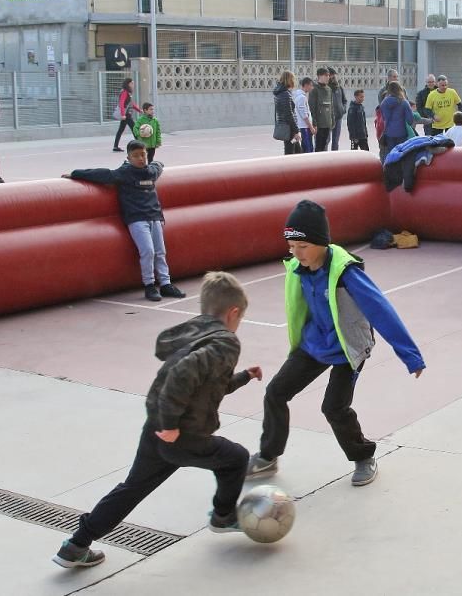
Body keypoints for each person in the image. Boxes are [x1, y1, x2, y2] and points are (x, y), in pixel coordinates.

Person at [51, 271, 262, 568]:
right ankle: (223, 517)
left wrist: (242, 377)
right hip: (180, 433)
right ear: (233, 313)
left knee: (132, 488)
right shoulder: (226, 341)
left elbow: (205, 383)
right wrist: (172, 425)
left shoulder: (196, 333)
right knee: (237, 458)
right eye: (240, 320)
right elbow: (182, 375)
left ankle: (75, 545)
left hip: (155, 428)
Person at [246, 200, 426, 486]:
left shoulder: (346, 274)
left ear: (321, 243)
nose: (295, 253)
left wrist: (410, 355)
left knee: (334, 407)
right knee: (276, 392)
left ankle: (364, 456)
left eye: (302, 247)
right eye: (291, 247)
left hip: (347, 347)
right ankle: (268, 457)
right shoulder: (298, 268)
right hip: (315, 343)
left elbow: (380, 310)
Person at [63, 140, 187, 302]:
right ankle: (149, 286)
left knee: (160, 251)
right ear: (128, 158)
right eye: (135, 156)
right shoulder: (124, 173)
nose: (140, 159)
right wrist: (76, 173)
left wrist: (159, 162)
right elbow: (101, 174)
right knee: (147, 251)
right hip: (137, 219)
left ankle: (165, 284)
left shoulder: (151, 171)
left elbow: (158, 166)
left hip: (155, 217)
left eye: (142, 155)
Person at [379, 81, 415, 158]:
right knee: (402, 154)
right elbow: (410, 120)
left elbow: (384, 118)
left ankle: (392, 168)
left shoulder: (384, 103)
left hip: (389, 133)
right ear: (400, 89)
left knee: (392, 153)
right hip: (402, 133)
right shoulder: (404, 102)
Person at [273, 70, 302, 155]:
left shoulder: (279, 93)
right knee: (291, 152)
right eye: (293, 79)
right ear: (290, 80)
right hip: (290, 129)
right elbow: (289, 114)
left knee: (297, 152)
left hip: (286, 127)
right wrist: (296, 131)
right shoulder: (285, 94)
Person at [308, 67, 335, 152]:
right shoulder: (314, 90)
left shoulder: (329, 89)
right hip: (319, 124)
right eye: (326, 75)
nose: (328, 77)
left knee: (325, 144)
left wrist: (332, 120)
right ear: (319, 76)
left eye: (328, 75)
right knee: (319, 146)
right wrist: (314, 123)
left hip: (327, 123)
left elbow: (331, 107)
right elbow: (312, 108)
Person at [113, 78, 140, 152]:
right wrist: (123, 114)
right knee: (134, 128)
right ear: (128, 84)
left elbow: (131, 104)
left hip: (126, 114)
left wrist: (139, 110)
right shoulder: (124, 92)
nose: (133, 85)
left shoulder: (128, 93)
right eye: (132, 83)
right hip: (126, 114)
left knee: (120, 130)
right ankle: (140, 145)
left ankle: (115, 146)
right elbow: (121, 103)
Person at [292, 77, 316, 154]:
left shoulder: (300, 96)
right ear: (306, 85)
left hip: (304, 126)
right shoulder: (301, 97)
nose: (312, 88)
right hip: (304, 127)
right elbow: (304, 115)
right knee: (308, 148)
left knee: (305, 147)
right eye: (311, 85)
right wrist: (311, 127)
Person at [329, 68, 348, 151]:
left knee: (335, 140)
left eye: (334, 75)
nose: (333, 77)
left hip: (338, 117)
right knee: (326, 140)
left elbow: (345, 100)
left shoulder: (339, 87)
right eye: (331, 75)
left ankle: (334, 156)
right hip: (328, 118)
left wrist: (343, 109)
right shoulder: (325, 88)